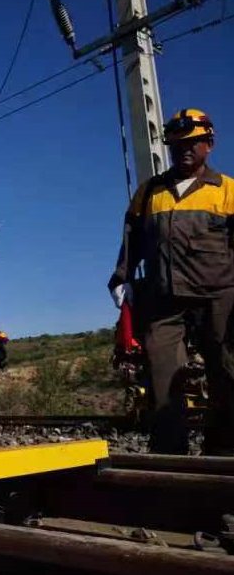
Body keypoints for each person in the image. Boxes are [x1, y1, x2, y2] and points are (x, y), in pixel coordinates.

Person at [109, 108, 234, 455]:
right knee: (163, 378)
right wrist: (122, 276)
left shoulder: (227, 190)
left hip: (219, 295)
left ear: (209, 144)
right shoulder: (150, 192)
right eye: (177, 144)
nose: (185, 150)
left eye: (193, 143)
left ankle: (224, 452)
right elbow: (132, 236)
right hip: (163, 298)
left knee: (226, 374)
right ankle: (169, 453)